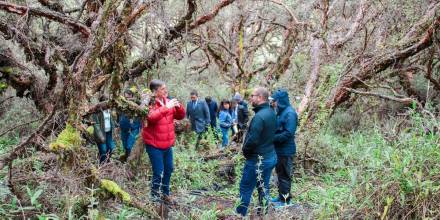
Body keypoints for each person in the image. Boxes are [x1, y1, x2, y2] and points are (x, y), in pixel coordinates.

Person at [142, 79, 186, 203]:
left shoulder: (168, 101)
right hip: (154, 145)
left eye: (165, 87)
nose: (166, 90)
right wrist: (166, 107)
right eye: (162, 89)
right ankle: (154, 197)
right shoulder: (149, 103)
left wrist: (179, 107)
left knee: (169, 169)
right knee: (158, 172)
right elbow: (151, 118)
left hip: (167, 144)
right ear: (155, 91)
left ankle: (165, 194)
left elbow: (181, 116)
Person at [236, 87, 277, 217]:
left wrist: (245, 152)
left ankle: (239, 215)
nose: (250, 98)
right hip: (269, 157)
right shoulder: (271, 112)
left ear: (260, 98)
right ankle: (262, 214)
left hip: (257, 160)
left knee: (245, 188)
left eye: (252, 95)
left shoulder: (259, 117)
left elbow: (252, 141)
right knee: (263, 188)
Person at [271, 89, 298, 206]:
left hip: (286, 151)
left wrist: (271, 138)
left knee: (285, 176)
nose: (274, 103)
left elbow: (288, 133)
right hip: (279, 150)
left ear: (280, 101)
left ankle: (286, 201)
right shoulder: (281, 112)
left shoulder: (290, 113)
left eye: (275, 101)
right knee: (280, 174)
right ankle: (281, 196)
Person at [117, 89, 142, 161]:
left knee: (129, 146)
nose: (128, 98)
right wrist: (118, 123)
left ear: (132, 95)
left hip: (133, 129)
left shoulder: (137, 104)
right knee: (125, 146)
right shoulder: (122, 104)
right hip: (124, 129)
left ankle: (130, 160)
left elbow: (142, 106)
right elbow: (118, 114)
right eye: (126, 96)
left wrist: (133, 101)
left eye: (129, 96)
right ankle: (126, 159)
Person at [91, 95, 116, 164]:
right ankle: (102, 165)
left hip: (109, 132)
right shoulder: (96, 111)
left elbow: (112, 121)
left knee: (110, 148)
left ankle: (107, 161)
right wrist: (100, 136)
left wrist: (115, 127)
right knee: (103, 150)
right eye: (105, 102)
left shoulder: (109, 110)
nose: (106, 104)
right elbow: (96, 125)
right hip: (100, 133)